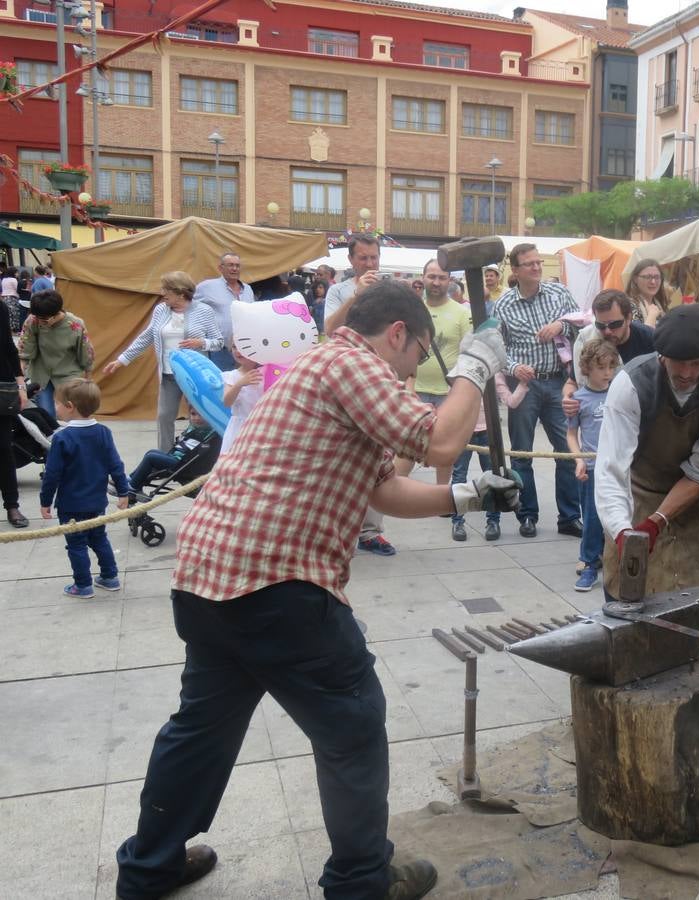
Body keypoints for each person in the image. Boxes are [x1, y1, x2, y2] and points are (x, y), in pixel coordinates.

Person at [114, 279, 518, 900]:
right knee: (353, 729)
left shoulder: (320, 370)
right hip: (279, 587)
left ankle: (149, 868)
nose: (411, 375)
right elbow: (440, 439)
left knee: (200, 733)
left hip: (209, 579)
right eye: (417, 359)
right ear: (397, 336)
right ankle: (360, 882)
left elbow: (384, 490)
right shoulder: (351, 360)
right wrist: (475, 366)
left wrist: (462, 494)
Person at [594, 304, 699, 596]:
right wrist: (622, 530)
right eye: (679, 362)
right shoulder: (631, 385)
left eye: (697, 363)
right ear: (662, 354)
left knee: (697, 597)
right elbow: (612, 468)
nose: (687, 373)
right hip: (642, 491)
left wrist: (658, 522)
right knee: (628, 594)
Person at [494, 242, 583, 538]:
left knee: (566, 451)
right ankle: (527, 514)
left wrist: (561, 326)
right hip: (525, 387)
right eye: (529, 264)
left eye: (538, 262)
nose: (536, 267)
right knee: (521, 453)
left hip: (559, 381)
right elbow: (496, 348)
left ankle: (569, 516)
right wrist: (514, 367)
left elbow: (583, 325)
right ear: (516, 270)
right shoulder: (504, 305)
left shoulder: (559, 293)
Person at [320, 234, 397, 556]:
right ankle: (330, 526)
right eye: (363, 258)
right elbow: (329, 329)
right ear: (351, 261)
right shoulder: (338, 290)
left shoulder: (390, 290)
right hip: (342, 378)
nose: (369, 264)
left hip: (377, 376)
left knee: (379, 451)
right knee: (335, 453)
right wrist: (357, 295)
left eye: (374, 258)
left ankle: (370, 530)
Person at [102, 272, 223, 454]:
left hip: (194, 375)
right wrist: (121, 360)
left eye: (166, 289)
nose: (163, 293)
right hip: (168, 374)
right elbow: (146, 337)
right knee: (164, 416)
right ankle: (165, 457)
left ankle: (198, 457)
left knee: (200, 417)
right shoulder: (160, 310)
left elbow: (219, 342)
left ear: (181, 293)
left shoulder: (204, 311)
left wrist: (201, 343)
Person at [38, 378, 130, 598]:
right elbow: (115, 465)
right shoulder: (104, 432)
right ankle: (110, 577)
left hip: (71, 505)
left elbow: (52, 475)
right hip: (97, 502)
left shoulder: (62, 438)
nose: (55, 407)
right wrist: (123, 491)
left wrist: (45, 501)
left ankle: (82, 585)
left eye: (57, 403)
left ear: (70, 407)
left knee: (76, 544)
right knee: (99, 538)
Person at [395, 260, 472, 505]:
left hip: (446, 391)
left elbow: (467, 352)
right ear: (423, 277)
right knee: (405, 447)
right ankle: (394, 491)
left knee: (444, 453)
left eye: (441, 277)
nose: (436, 282)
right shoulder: (411, 311)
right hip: (414, 390)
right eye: (431, 277)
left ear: (449, 280)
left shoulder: (462, 313)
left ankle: (442, 497)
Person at [449, 373, 529, 542]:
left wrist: (523, 384)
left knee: (495, 478)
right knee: (459, 476)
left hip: (488, 433)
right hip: (464, 432)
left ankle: (493, 522)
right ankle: (457, 522)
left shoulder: (494, 375)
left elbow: (511, 401)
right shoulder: (462, 371)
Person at [566, 338, 619, 591]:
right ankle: (588, 563)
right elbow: (571, 434)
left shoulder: (619, 392)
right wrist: (578, 460)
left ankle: (613, 561)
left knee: (617, 516)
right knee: (592, 517)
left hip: (617, 466)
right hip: (591, 467)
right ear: (587, 368)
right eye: (601, 367)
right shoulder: (579, 398)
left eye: (611, 366)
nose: (607, 372)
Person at [562, 289, 657, 415]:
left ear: (629, 318)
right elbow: (572, 382)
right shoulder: (587, 339)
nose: (607, 331)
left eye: (614, 324)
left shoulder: (648, 338)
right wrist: (568, 398)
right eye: (600, 325)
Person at [18, 289, 96, 417]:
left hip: (68, 374)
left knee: (71, 414)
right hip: (42, 374)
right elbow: (24, 351)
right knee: (47, 414)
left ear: (55, 314)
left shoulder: (75, 324)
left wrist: (88, 378)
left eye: (43, 319)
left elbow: (86, 352)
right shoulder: (33, 321)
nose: (39, 321)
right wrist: (19, 379)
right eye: (36, 317)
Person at [128, 406, 216, 496]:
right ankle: (132, 478)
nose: (196, 418)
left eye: (201, 415)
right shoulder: (194, 427)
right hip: (177, 458)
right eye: (193, 414)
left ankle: (133, 487)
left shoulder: (209, 431)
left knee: (150, 457)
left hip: (183, 464)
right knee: (151, 452)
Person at [193, 252, 255, 371]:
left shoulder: (247, 289)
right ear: (221, 268)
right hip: (220, 350)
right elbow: (190, 307)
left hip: (245, 347)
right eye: (230, 265)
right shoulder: (207, 287)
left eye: (237, 265)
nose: (234, 269)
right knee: (222, 384)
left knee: (243, 383)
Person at [0, 301, 30, 528]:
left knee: (4, 449)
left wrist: (21, 385)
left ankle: (12, 505)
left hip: (1, 387)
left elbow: (9, 347)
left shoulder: (0, 307)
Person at [219, 346, 264, 455]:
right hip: (240, 428)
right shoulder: (231, 376)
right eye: (234, 347)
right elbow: (227, 402)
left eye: (242, 346)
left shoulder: (268, 372)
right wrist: (239, 384)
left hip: (262, 427)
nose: (237, 351)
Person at [625, 258, 670, 327]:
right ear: (635, 279)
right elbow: (641, 336)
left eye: (657, 277)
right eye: (648, 277)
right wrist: (652, 316)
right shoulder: (630, 306)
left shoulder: (660, 304)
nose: (653, 282)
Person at [1, 266, 18, 334]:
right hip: (12, 297)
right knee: (14, 314)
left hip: (4, 298)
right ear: (13, 273)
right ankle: (14, 329)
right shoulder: (14, 280)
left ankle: (8, 329)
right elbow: (16, 288)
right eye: (16, 272)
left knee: (8, 313)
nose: (17, 274)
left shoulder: (4, 279)